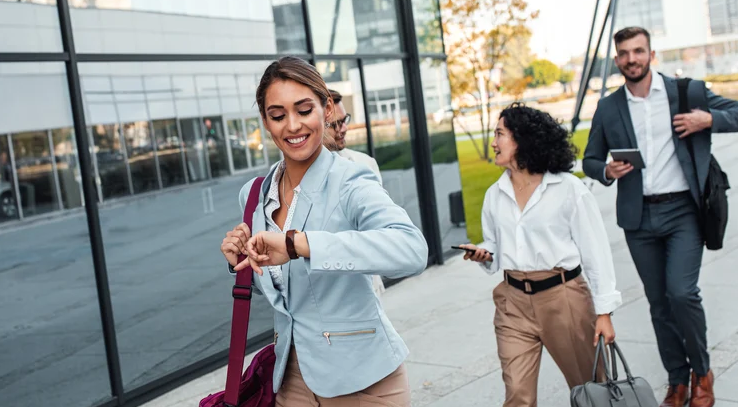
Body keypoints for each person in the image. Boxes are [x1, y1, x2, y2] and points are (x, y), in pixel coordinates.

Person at [220, 56, 428, 406]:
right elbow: (286, 291)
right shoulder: (254, 194)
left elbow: (411, 250)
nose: (293, 126)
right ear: (265, 122)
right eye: (278, 115)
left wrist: (300, 244)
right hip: (291, 379)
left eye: (304, 110)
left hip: (364, 380)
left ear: (327, 110)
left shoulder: (351, 180)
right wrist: (243, 262)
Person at [582, 27, 738, 407]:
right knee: (658, 304)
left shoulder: (686, 92)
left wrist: (706, 120)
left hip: (683, 212)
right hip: (638, 218)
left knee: (682, 293)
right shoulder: (609, 107)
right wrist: (606, 171)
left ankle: (702, 373)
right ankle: (678, 381)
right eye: (625, 53)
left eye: (638, 51)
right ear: (617, 60)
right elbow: (590, 159)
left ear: (651, 54)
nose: (632, 59)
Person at [460, 103, 622, 407]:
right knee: (518, 396)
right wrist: (485, 253)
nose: (493, 143)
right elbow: (496, 245)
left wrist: (604, 312)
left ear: (523, 139)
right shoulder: (495, 195)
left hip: (564, 299)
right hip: (512, 303)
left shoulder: (568, 189)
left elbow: (595, 252)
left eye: (499, 134)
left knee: (590, 391)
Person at [323, 89, 386, 298]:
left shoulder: (366, 164)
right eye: (335, 124)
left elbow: (382, 228)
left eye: (345, 120)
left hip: (368, 284)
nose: (344, 129)